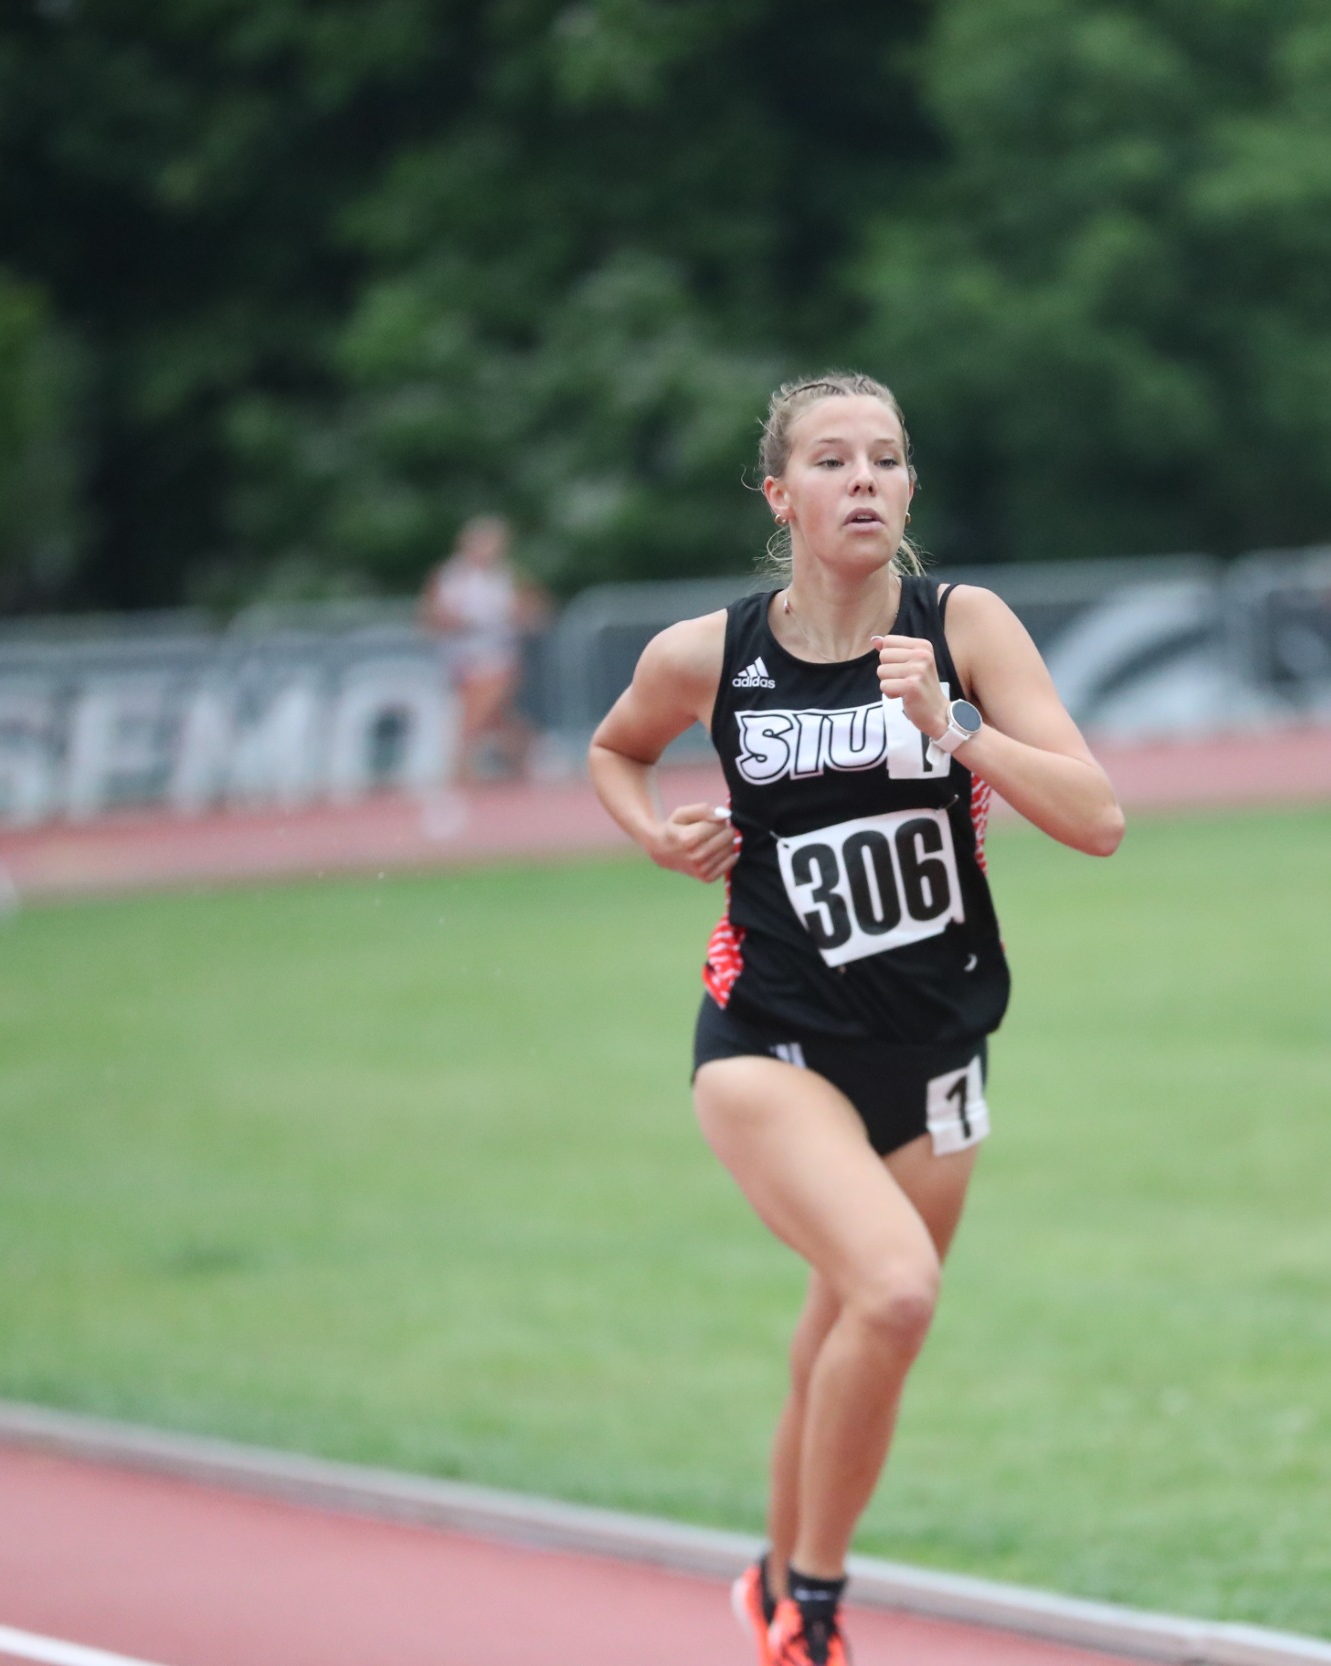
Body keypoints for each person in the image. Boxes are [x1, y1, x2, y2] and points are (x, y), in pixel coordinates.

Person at [587, 372, 1124, 1666]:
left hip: (937, 1056)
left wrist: (956, 729)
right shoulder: (709, 654)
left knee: (845, 1320)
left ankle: (771, 1582)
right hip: (770, 1043)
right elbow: (616, 751)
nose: (866, 479)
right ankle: (814, 1608)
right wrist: (658, 837)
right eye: (833, 460)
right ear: (782, 494)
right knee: (892, 1292)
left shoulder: (963, 628)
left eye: (886, 458)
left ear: (910, 488)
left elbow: (1097, 817)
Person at [420, 514, 546, 783]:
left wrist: (519, 616)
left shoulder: (507, 576)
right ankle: (530, 763)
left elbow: (535, 611)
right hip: (461, 661)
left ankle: (460, 780)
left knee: (470, 725)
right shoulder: (449, 577)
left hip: (497, 660)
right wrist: (458, 622)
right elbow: (431, 618)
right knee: (498, 722)